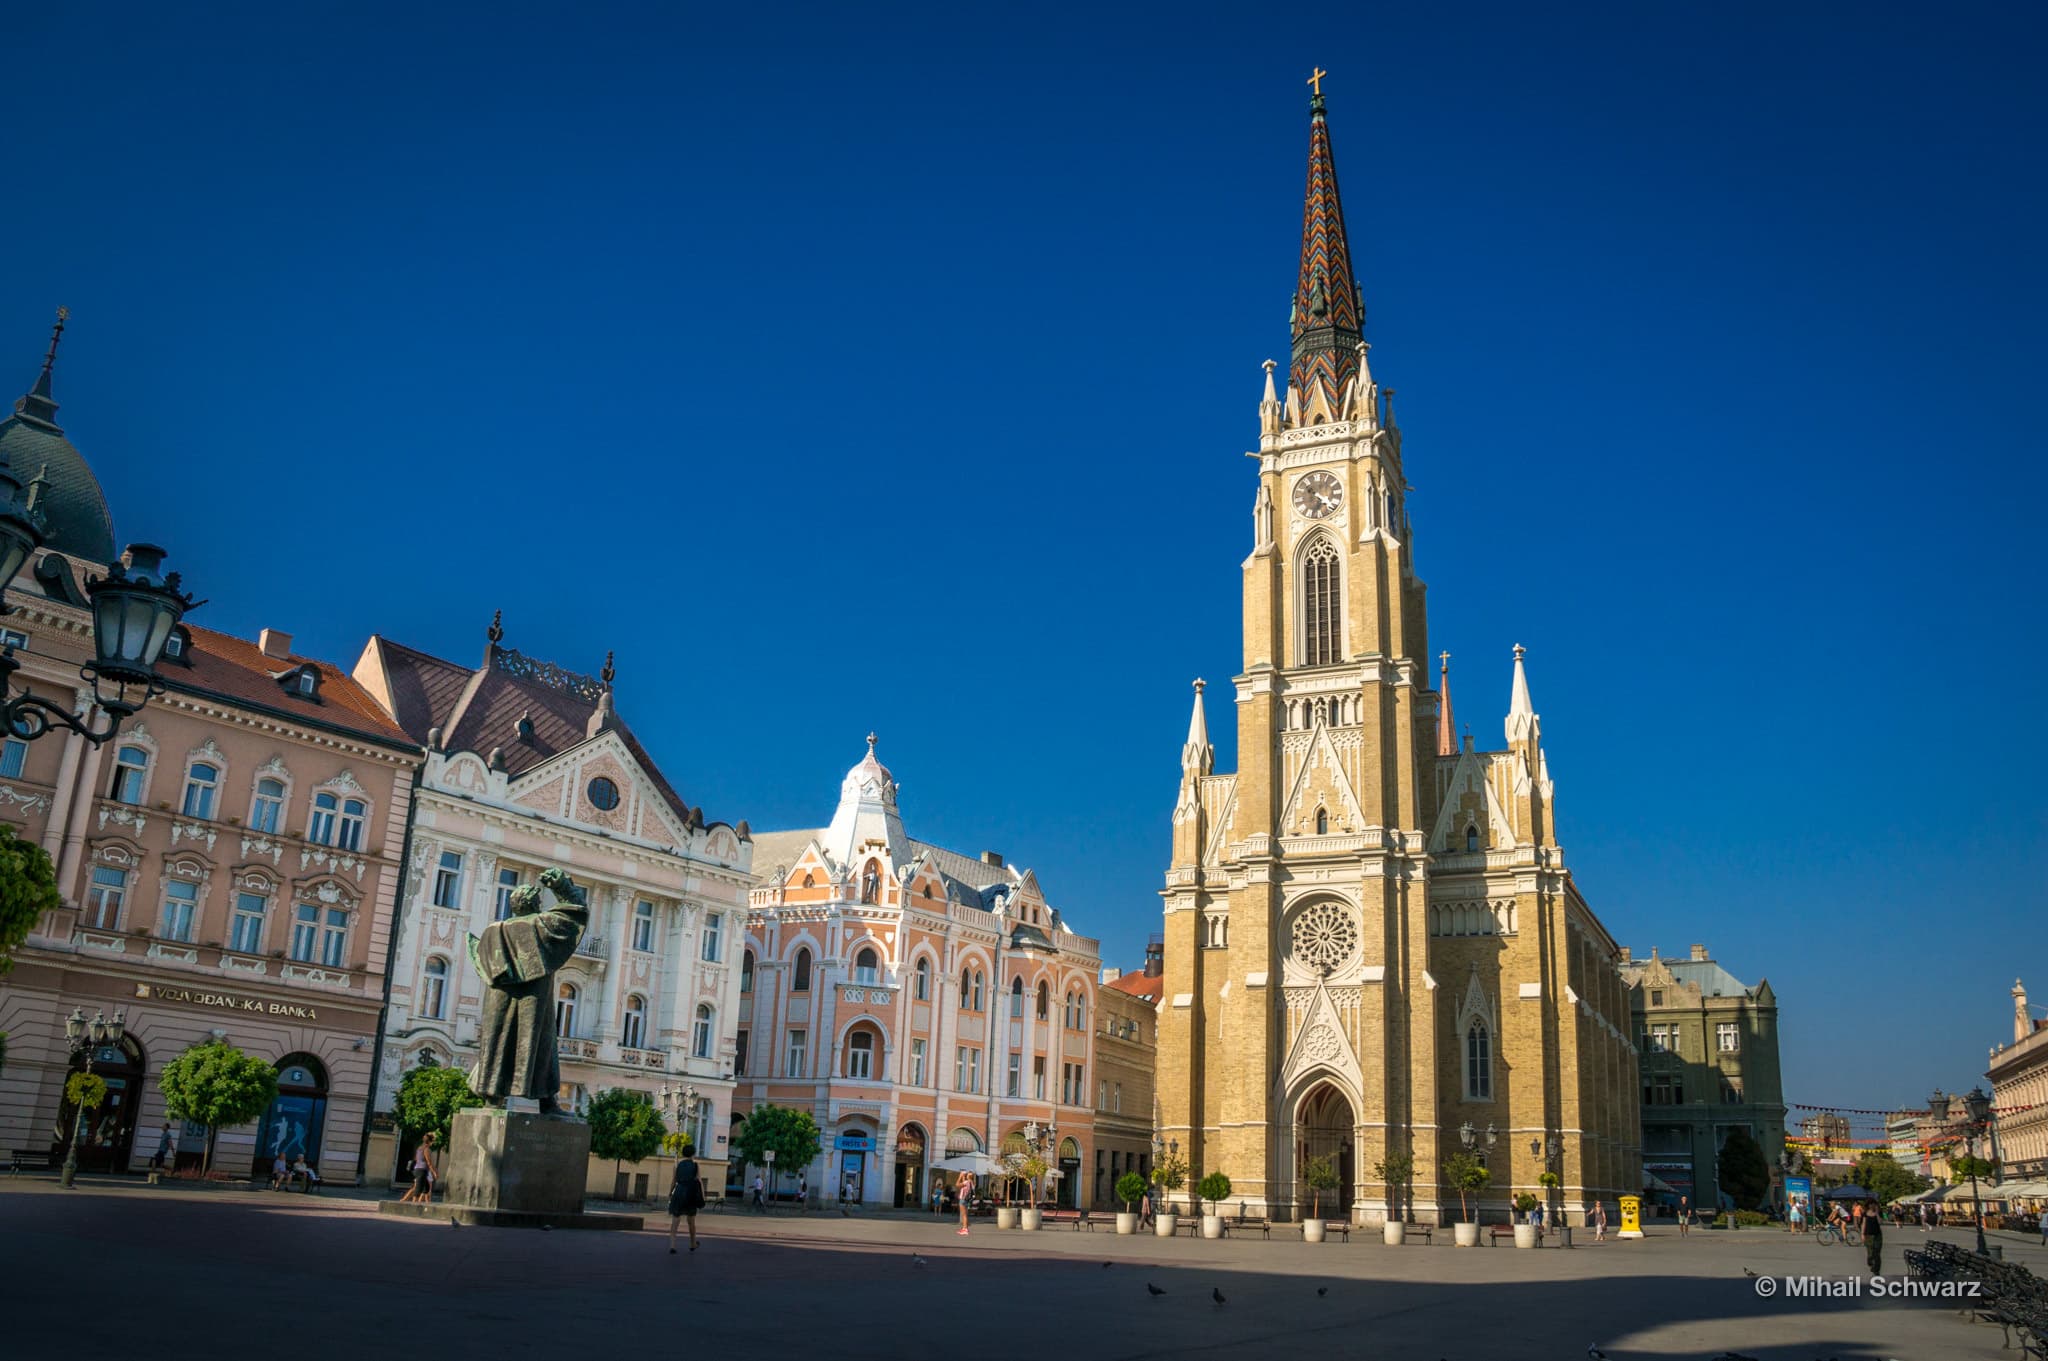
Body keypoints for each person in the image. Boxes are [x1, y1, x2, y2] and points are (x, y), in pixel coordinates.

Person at [667, 1142, 706, 1254]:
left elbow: (674, 1180)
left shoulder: (677, 1165)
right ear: (693, 1154)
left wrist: (670, 1193)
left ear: (683, 1153)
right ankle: (692, 1243)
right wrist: (703, 1196)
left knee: (675, 1220)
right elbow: (699, 1181)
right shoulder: (696, 1165)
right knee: (691, 1221)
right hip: (690, 1193)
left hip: (679, 1191)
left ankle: (672, 1246)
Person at [399, 1133, 437, 1204]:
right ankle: (414, 1204)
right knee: (418, 1188)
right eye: (433, 1141)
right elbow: (429, 1163)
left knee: (427, 1188)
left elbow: (416, 1159)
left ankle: (426, 1203)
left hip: (417, 1169)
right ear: (430, 1141)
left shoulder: (419, 1148)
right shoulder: (426, 1149)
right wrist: (434, 1172)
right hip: (421, 1171)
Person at [1858, 1201, 1884, 1274]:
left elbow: (1880, 1222)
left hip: (1877, 1235)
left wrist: (1877, 1213)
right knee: (1870, 1252)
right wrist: (1862, 1234)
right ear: (1868, 1205)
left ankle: (1876, 1270)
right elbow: (1863, 1224)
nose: (1872, 1205)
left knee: (1877, 1253)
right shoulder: (1865, 1213)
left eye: (1874, 1204)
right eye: (1871, 1204)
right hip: (1868, 1235)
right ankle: (1870, 1261)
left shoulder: (1878, 1213)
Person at [956, 1170, 977, 1236]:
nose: (966, 1175)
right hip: (967, 1200)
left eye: (967, 1174)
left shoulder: (966, 1182)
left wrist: (960, 1176)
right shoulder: (972, 1183)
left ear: (968, 1176)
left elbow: (957, 1185)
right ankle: (964, 1228)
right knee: (965, 1214)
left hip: (963, 1199)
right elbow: (965, 1185)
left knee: (964, 1215)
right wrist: (963, 1177)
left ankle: (965, 1229)